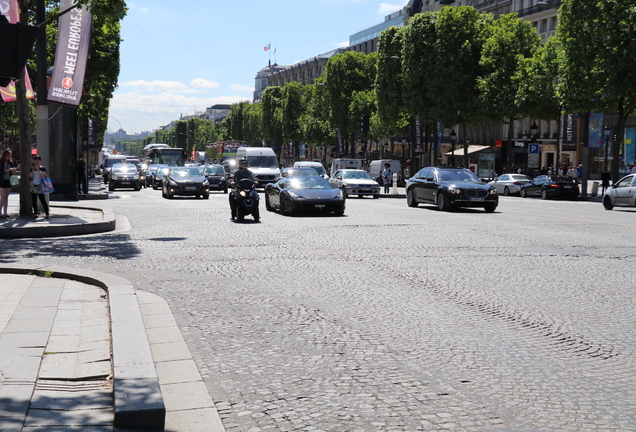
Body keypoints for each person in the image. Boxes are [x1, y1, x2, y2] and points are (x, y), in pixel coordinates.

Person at [1, 149, 18, 218]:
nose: (9, 157)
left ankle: (5, 213)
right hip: (2, 181)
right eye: (8, 156)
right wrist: (9, 169)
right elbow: (1, 171)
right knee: (2, 197)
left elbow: (12, 173)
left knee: (6, 197)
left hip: (8, 180)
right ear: (5, 155)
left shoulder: (10, 163)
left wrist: (14, 170)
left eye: (10, 156)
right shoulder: (1, 162)